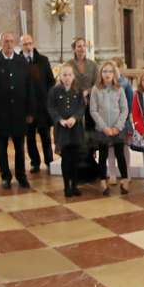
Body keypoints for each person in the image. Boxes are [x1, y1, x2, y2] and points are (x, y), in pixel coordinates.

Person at [0, 32, 31, 190]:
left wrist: (30, 111)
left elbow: (29, 89)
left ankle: (21, 175)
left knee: (19, 147)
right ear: (1, 43)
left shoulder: (22, 61)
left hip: (19, 112)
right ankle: (5, 176)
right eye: (6, 41)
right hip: (0, 113)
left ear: (15, 43)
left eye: (11, 41)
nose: (9, 44)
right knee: (1, 147)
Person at [48, 62, 89, 198]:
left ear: (73, 76)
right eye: (64, 75)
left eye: (69, 75)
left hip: (75, 129)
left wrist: (74, 118)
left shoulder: (78, 90)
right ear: (60, 76)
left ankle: (75, 185)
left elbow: (81, 107)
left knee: (75, 159)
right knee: (66, 159)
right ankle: (66, 186)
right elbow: (51, 107)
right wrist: (60, 119)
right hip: (62, 130)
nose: (67, 77)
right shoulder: (54, 91)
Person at [90, 60, 131, 192]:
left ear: (114, 74)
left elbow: (124, 109)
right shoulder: (96, 89)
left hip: (117, 128)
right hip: (103, 129)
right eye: (104, 71)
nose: (107, 74)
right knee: (103, 156)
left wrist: (117, 127)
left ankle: (124, 180)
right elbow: (93, 110)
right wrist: (104, 127)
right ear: (101, 74)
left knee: (120, 155)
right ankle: (103, 181)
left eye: (110, 71)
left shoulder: (119, 89)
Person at [18, 34, 55, 174]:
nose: (28, 46)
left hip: (42, 106)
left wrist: (48, 98)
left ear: (33, 44)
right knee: (30, 137)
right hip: (26, 107)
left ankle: (49, 161)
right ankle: (35, 162)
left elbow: (51, 81)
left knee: (45, 136)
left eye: (30, 43)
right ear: (21, 45)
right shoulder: (17, 61)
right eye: (25, 44)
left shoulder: (43, 60)